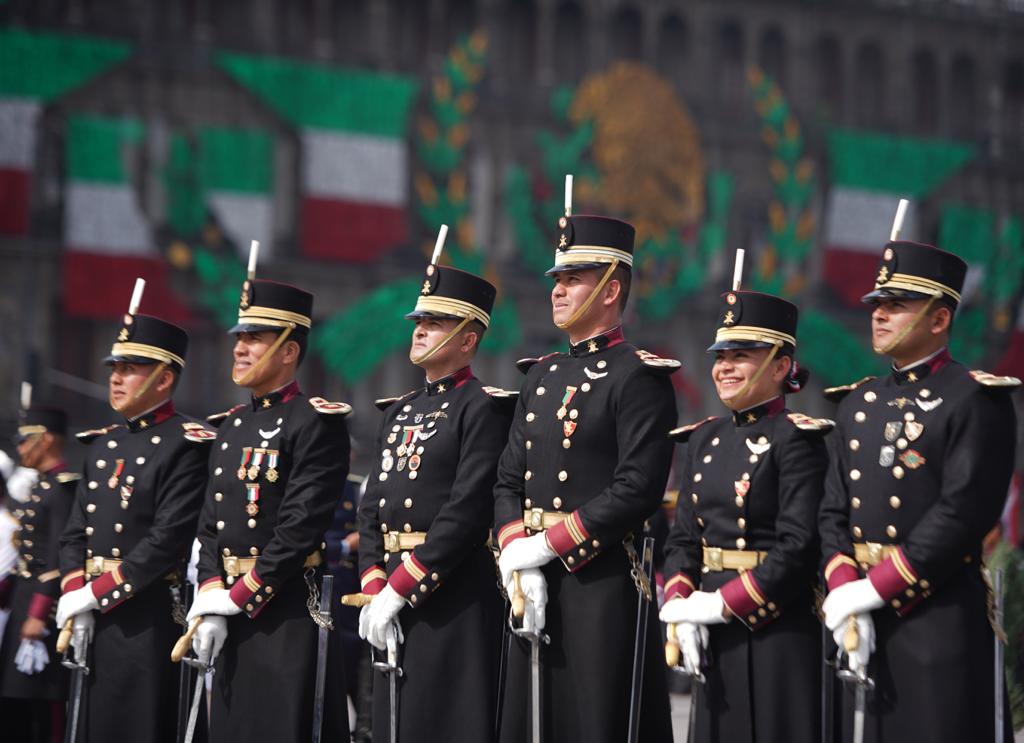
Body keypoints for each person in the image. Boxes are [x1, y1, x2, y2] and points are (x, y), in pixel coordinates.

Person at [819, 239, 1017, 742]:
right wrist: (844, 587)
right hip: (856, 618)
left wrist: (874, 588)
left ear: (939, 319)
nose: (880, 316)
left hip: (934, 616)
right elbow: (832, 510)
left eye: (897, 305)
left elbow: (963, 512)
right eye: (877, 306)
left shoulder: (973, 399)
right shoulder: (857, 402)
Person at [493, 211, 677, 743]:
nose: (558, 291)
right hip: (530, 577)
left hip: (597, 579)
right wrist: (515, 553)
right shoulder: (542, 375)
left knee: (591, 719)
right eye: (557, 279)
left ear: (610, 288)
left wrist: (546, 546)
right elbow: (507, 479)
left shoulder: (638, 375)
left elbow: (638, 486)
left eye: (573, 279)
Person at [187, 273, 351, 742]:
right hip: (229, 607)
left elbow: (299, 525)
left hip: (286, 607)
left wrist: (238, 598)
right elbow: (210, 524)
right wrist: (213, 594)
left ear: (288, 350)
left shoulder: (315, 423)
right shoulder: (231, 425)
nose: (239, 349)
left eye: (253, 339)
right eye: (239, 338)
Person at [660, 290, 829, 743]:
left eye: (742, 356)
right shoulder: (703, 439)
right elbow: (682, 540)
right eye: (721, 356)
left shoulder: (797, 441)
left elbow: (798, 545)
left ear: (779, 367)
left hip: (775, 625)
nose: (725, 367)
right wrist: (680, 603)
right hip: (709, 624)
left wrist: (721, 604)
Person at [357, 258, 511, 741]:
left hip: (451, 595)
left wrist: (403, 586)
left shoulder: (482, 406)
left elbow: (466, 510)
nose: (420, 331)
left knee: (443, 722)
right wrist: (376, 579)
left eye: (435, 323)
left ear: (468, 339)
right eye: (419, 322)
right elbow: (372, 507)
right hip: (392, 595)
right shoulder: (399, 411)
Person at [56, 306, 212, 743]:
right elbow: (73, 532)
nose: (116, 378)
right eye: (114, 369)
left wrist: (95, 594)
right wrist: (74, 593)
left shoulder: (186, 445)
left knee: (138, 725)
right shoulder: (104, 444)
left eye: (129, 369)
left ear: (163, 379)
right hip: (91, 613)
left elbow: (166, 540)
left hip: (146, 615)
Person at [0, 404, 77, 742]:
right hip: (22, 602)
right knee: (14, 701)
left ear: (44, 440)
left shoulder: (61, 488)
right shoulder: (40, 487)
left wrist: (38, 613)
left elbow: (60, 555)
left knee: (42, 704)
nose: (18, 449)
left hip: (42, 612)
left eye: (23, 440)